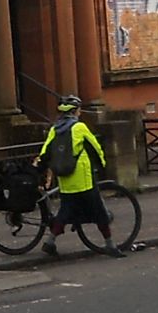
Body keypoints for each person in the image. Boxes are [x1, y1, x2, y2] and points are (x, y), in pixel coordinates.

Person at [35, 95, 121, 256]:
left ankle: (50, 241)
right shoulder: (79, 127)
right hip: (83, 178)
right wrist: (102, 165)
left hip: (65, 178)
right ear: (75, 111)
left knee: (65, 211)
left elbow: (45, 152)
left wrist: (40, 167)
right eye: (79, 110)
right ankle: (110, 244)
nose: (80, 113)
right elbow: (94, 147)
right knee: (99, 211)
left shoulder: (54, 129)